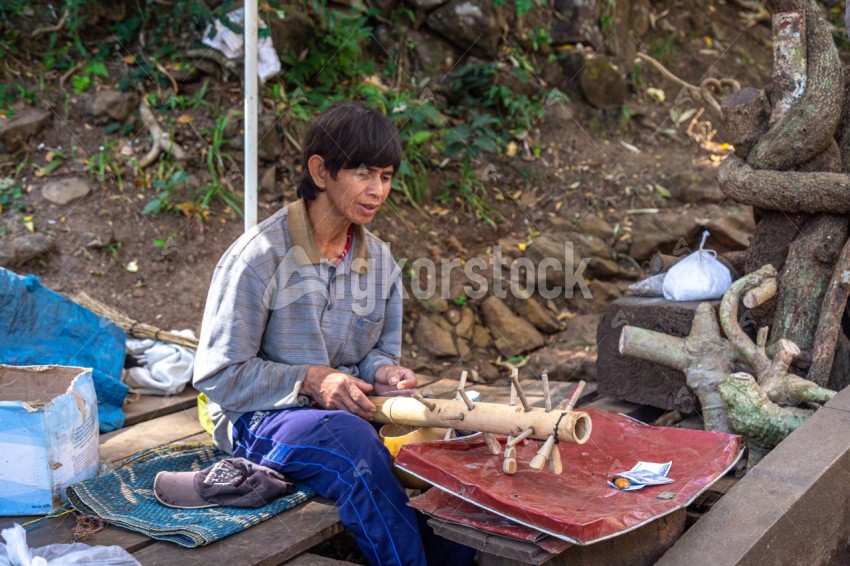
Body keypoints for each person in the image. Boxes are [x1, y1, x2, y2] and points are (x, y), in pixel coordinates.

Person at [194, 102, 473, 565]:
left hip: (351, 414)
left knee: (453, 438)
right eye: (363, 173)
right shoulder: (258, 257)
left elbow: (376, 352)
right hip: (257, 421)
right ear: (321, 171)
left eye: (385, 176)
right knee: (351, 443)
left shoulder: (380, 261)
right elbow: (220, 374)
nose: (377, 190)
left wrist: (385, 372)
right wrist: (310, 379)